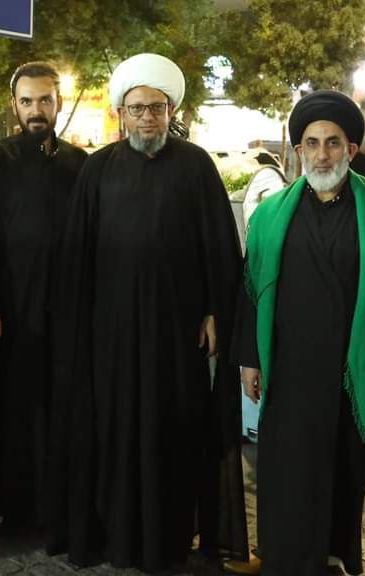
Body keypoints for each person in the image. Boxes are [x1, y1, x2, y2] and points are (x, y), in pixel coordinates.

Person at [47, 53, 248, 571]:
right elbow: (77, 255)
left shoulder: (196, 166)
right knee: (114, 433)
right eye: (136, 109)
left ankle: (168, 539)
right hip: (111, 337)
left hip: (175, 336)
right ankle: (115, 536)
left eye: (156, 108)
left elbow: (219, 249)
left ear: (170, 110)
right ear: (121, 113)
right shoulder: (98, 169)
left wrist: (214, 311)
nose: (147, 118)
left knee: (172, 433)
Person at [238, 90, 365, 576]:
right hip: (288, 370)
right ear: (298, 150)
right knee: (284, 470)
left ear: (351, 149)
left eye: (333, 143)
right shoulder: (271, 215)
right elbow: (250, 291)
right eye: (311, 144)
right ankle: (280, 557)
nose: (322, 155)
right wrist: (250, 358)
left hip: (348, 372)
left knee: (343, 469)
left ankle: (331, 559)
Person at [0, 61, 88, 532]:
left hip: (66, 314)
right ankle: (13, 507)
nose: (36, 110)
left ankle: (60, 505)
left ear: (58, 102)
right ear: (14, 106)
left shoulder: (81, 165)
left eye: (44, 100)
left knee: (61, 409)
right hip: (11, 314)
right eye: (27, 101)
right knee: (12, 411)